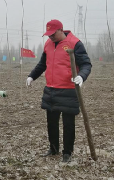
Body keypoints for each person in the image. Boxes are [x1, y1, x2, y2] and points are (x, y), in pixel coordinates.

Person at [27, 19, 92, 162]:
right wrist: (32, 76)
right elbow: (42, 64)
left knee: (68, 123)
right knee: (51, 122)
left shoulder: (75, 43)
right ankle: (53, 148)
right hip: (51, 88)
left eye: (53, 34)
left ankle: (67, 152)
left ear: (61, 30)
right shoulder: (48, 45)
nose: (50, 37)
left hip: (68, 89)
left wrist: (81, 76)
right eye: (48, 34)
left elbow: (86, 64)